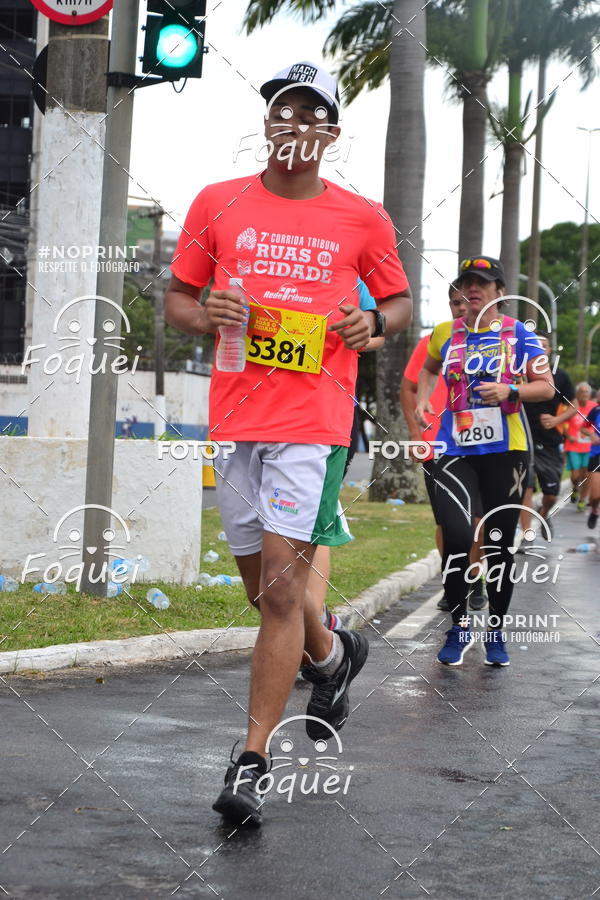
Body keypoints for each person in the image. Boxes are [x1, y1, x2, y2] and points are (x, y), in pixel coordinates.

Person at [165, 61, 412, 827]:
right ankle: (335, 656)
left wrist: (376, 324)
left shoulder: (363, 219)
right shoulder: (218, 202)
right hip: (238, 418)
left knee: (278, 591)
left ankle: (252, 760)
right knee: (261, 590)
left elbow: (399, 301)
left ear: (330, 135)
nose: (296, 127)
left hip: (315, 421)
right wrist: (210, 313)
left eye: (313, 116)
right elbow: (176, 297)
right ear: (268, 123)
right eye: (284, 112)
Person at [415, 256, 554, 667]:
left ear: (499, 292)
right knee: (457, 537)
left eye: (482, 283)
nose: (472, 290)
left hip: (505, 451)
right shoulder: (445, 332)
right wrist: (425, 397)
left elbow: (544, 388)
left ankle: (495, 629)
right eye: (466, 283)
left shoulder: (520, 334)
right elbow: (428, 368)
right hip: (453, 449)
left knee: (496, 545)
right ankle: (459, 627)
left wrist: (510, 392)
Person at [401, 284, 487, 613]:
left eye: (467, 301)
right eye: (454, 302)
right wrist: (414, 431)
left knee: (477, 517)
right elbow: (408, 388)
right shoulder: (433, 341)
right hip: (437, 444)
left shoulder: (498, 341)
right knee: (447, 523)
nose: (461, 308)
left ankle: (475, 578)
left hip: (481, 446)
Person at [307, 279, 385, 636]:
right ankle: (311, 621)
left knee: (315, 524)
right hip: (262, 416)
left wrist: (362, 332)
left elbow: (379, 327)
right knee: (269, 528)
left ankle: (318, 624)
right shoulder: (261, 256)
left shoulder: (345, 270)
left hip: (327, 418)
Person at [520, 333, 576, 536]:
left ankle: (544, 513)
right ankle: (527, 534)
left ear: (549, 351)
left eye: (543, 345)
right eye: (535, 344)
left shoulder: (560, 376)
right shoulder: (519, 372)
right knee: (525, 487)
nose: (540, 348)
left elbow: (574, 406)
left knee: (551, 494)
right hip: (523, 436)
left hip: (550, 439)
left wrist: (556, 421)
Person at [564, 382, 596, 511]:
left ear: (589, 394)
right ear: (577, 394)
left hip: (590, 447)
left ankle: (582, 500)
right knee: (575, 476)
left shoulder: (594, 407)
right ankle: (575, 488)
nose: (584, 394)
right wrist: (568, 435)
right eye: (581, 392)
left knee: (587, 475)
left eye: (586, 392)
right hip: (573, 446)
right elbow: (564, 423)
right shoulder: (572, 406)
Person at [586, 399, 600, 529]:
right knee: (595, 496)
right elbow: (583, 428)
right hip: (596, 455)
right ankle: (595, 510)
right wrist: (592, 435)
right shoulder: (596, 411)